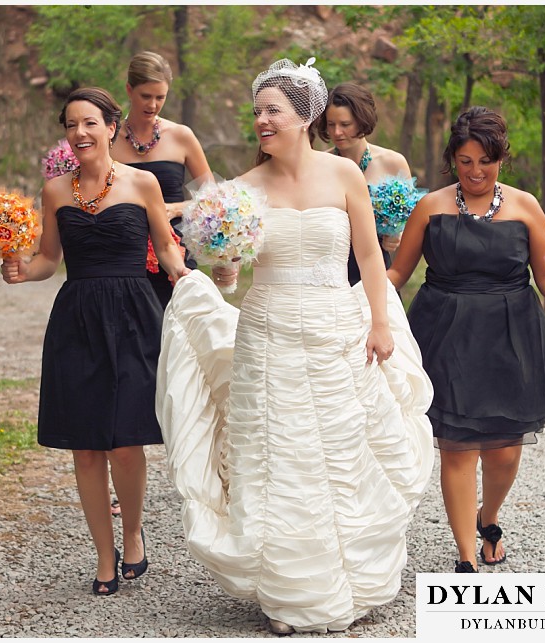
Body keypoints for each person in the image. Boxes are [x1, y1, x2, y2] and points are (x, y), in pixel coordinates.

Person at [156, 58, 434, 633]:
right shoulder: (241, 191)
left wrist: (381, 322)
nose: (260, 120)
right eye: (256, 110)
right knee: (278, 454)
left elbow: (369, 256)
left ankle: (350, 582)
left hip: (338, 326)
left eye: (271, 110)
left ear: (304, 116)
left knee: (340, 449)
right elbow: (231, 273)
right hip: (270, 328)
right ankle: (289, 590)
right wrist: (222, 262)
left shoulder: (345, 175)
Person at [1, 87, 190, 596]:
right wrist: (22, 271)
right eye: (70, 125)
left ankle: (132, 534)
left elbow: (168, 252)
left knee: (127, 443)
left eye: (89, 123)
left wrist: (192, 278)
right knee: (85, 447)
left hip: (134, 318)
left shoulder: (144, 183)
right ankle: (103, 557)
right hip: (77, 319)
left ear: (111, 127)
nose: (79, 133)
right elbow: (48, 260)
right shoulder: (55, 191)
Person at [387, 106, 545, 573]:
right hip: (444, 334)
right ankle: (466, 557)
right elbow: (396, 273)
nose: (475, 171)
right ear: (453, 158)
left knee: (505, 453)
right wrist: (355, 302)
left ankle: (487, 519)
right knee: (456, 447)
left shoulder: (525, 205)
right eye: (465, 161)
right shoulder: (430, 206)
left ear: (501, 159)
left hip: (510, 336)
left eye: (485, 162)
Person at [112, 50, 212, 309]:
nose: (153, 105)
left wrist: (176, 208)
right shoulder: (108, 140)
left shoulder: (181, 136)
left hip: (175, 248)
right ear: (129, 90)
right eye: (146, 96)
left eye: (161, 97)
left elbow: (213, 199)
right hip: (124, 252)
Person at [318, 82, 416, 285]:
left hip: (376, 266)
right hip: (331, 270)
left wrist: (398, 234)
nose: (337, 132)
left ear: (362, 121)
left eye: (345, 124)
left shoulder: (393, 162)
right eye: (331, 124)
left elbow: (412, 222)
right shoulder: (321, 165)